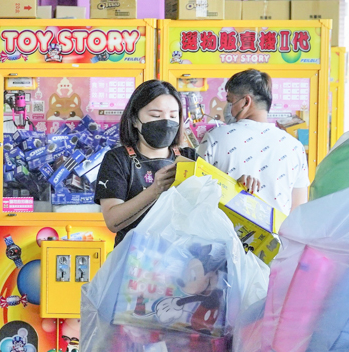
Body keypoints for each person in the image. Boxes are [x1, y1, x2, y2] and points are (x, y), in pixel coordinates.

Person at [94, 80, 200, 246]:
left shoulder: (190, 158)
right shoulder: (117, 159)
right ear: (135, 120)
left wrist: (241, 187)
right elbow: (112, 221)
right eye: (156, 116)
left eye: (173, 116)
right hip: (134, 262)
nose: (166, 122)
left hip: (180, 263)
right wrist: (155, 190)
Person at [197, 69, 309, 214]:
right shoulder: (295, 147)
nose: (228, 109)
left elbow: (197, 192)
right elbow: (298, 209)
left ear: (246, 101)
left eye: (230, 101)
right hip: (277, 235)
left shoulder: (215, 137)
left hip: (224, 234)